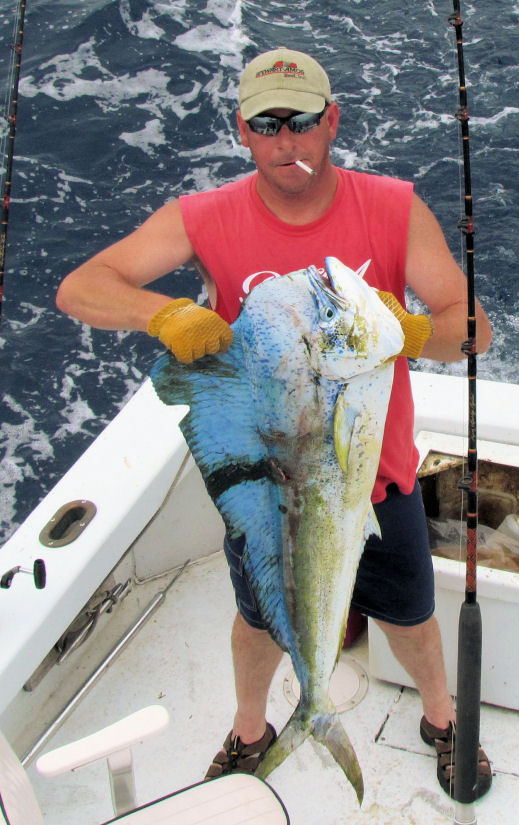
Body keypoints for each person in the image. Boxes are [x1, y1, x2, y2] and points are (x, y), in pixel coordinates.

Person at [57, 47, 493, 799]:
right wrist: (164, 315)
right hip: (267, 486)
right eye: (267, 124)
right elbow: (81, 288)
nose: (286, 141)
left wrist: (416, 333)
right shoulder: (205, 217)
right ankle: (252, 729)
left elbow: (474, 329)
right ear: (243, 130)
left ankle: (442, 717)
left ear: (332, 121)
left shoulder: (391, 207)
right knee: (257, 618)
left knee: (411, 613)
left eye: (302, 121)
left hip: (371, 472)